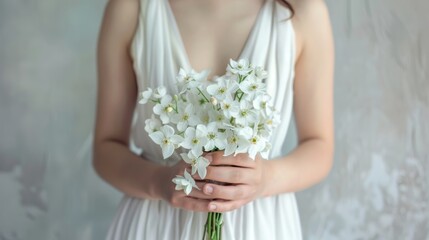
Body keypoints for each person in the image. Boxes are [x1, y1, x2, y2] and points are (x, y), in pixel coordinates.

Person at [93, 0, 334, 239]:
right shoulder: (131, 8)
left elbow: (319, 146)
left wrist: (265, 179)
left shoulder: (304, 12)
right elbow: (106, 149)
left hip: (258, 226)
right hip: (155, 225)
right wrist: (158, 182)